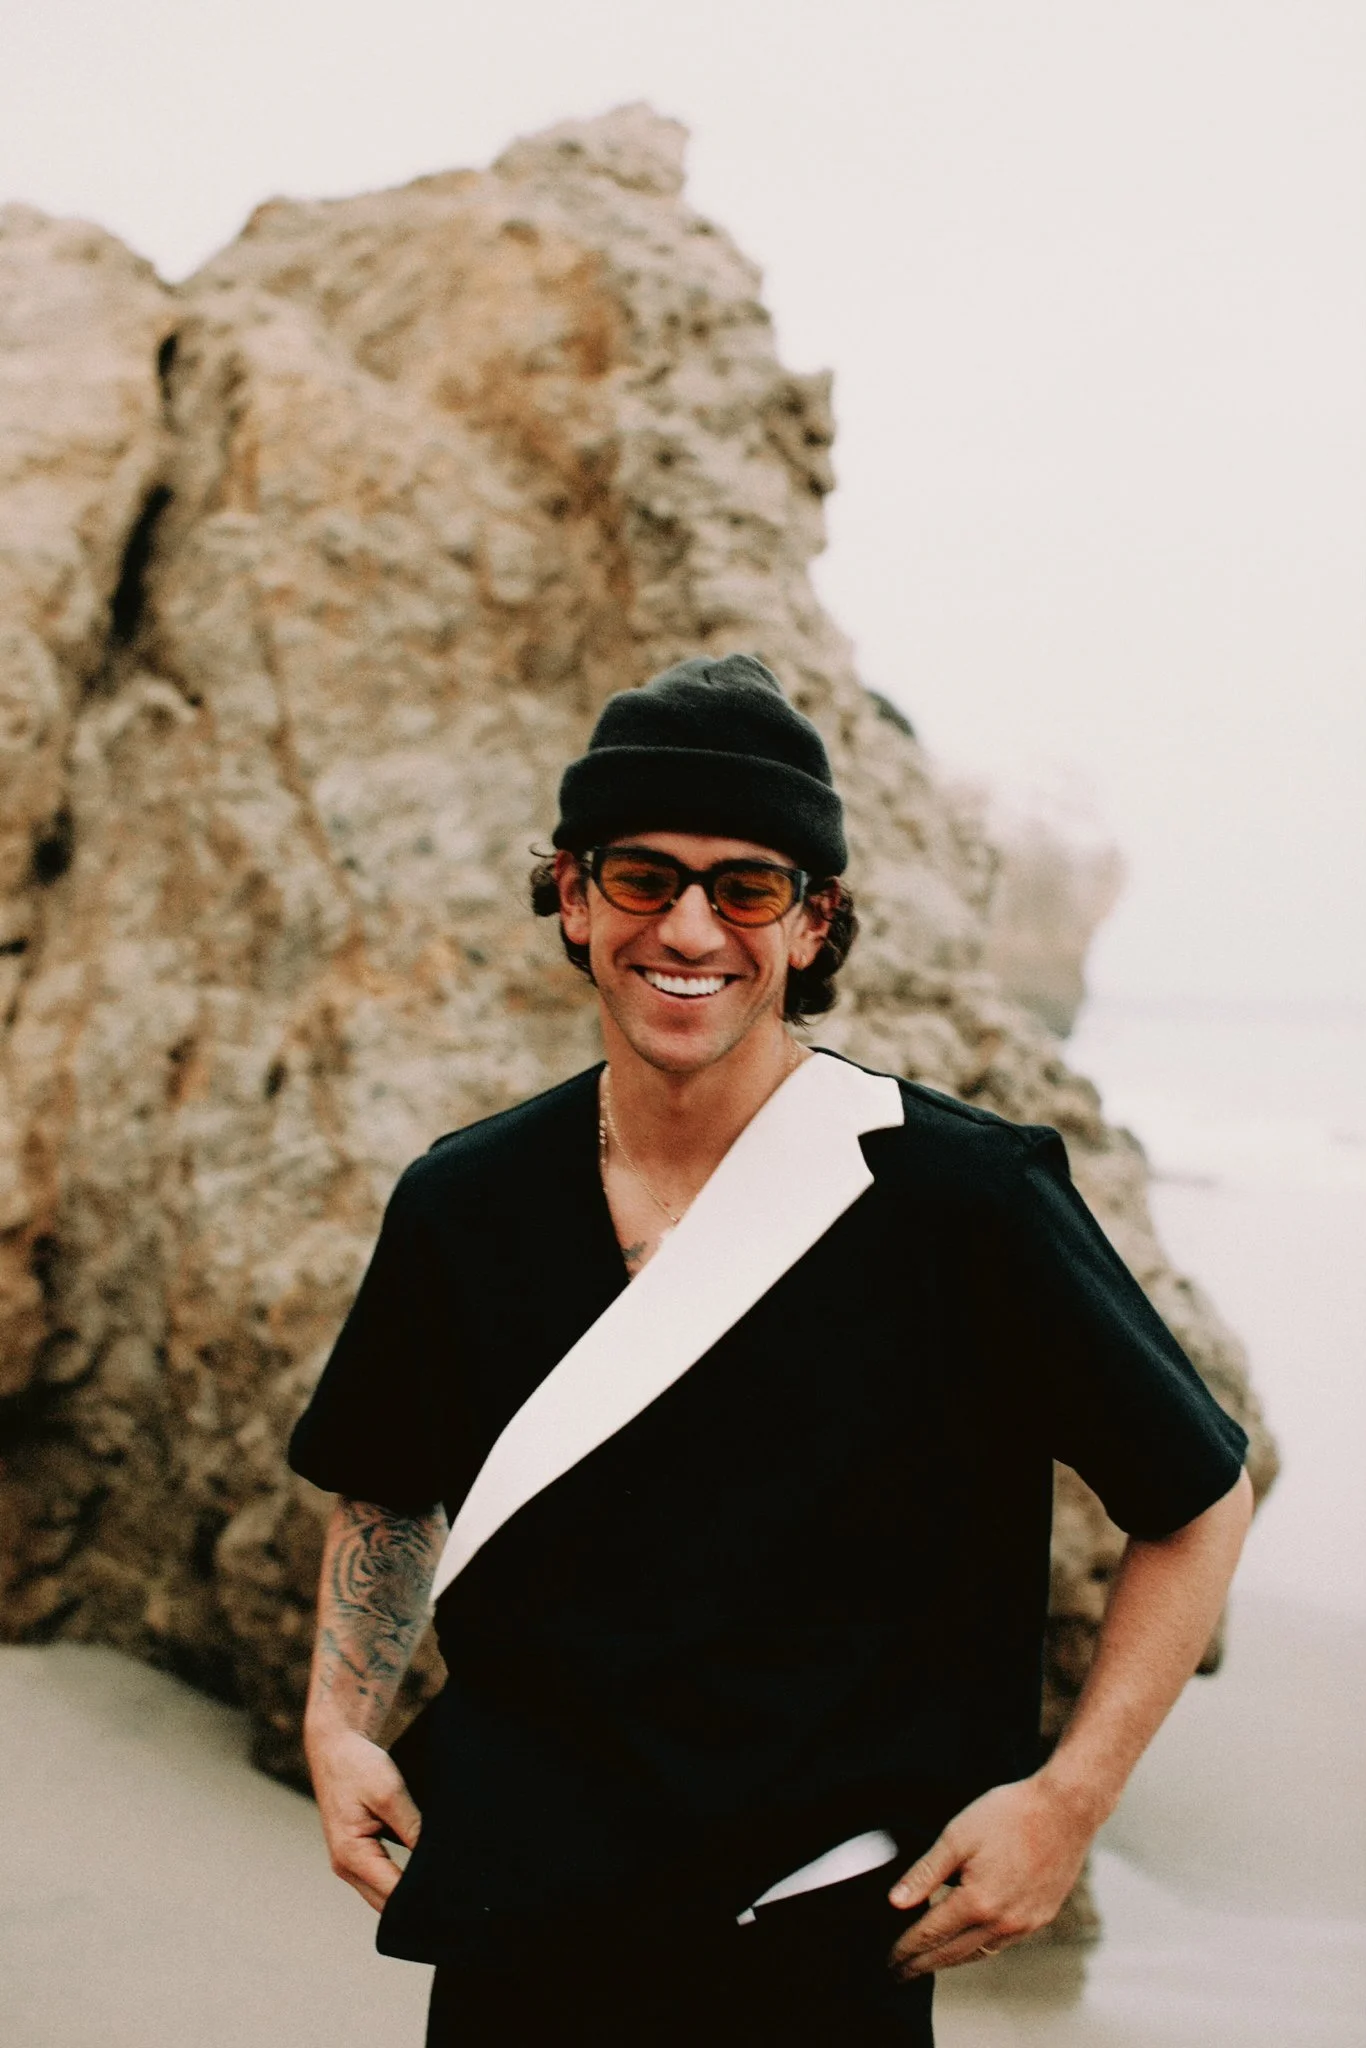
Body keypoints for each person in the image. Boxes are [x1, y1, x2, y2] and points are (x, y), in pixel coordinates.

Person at [287, 653, 1253, 2047]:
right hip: (518, 1933)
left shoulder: (959, 1202)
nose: (689, 926)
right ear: (571, 896)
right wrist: (336, 1723)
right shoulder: (465, 1203)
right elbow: (386, 1480)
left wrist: (1065, 1800)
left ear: (813, 925)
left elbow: (1195, 1495)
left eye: (746, 886)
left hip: (813, 1942)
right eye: (641, 876)